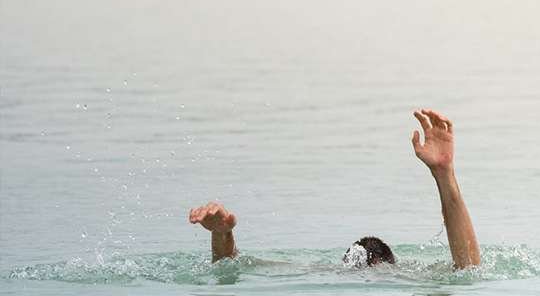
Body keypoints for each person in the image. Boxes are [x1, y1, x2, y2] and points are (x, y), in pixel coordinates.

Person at [189, 109, 480, 269]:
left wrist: (222, 235)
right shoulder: (409, 278)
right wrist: (445, 176)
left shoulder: (317, 272)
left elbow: (232, 266)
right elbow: (468, 269)